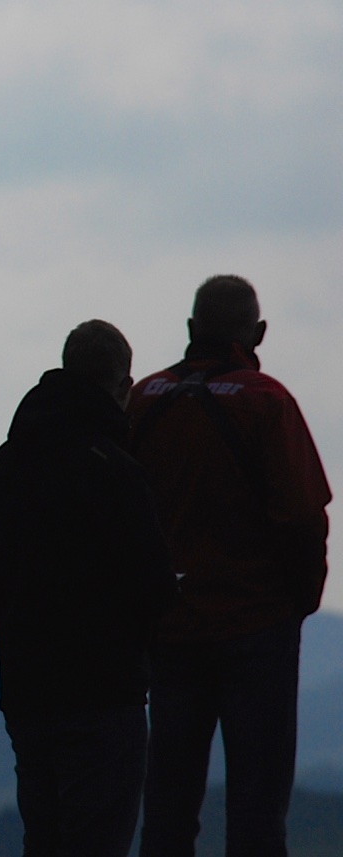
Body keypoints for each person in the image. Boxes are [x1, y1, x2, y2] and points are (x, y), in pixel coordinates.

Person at [130, 275, 331, 857]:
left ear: (192, 328)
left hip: (170, 630)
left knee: (167, 808)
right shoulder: (268, 401)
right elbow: (302, 516)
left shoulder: (143, 401)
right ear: (258, 333)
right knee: (257, 810)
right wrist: (300, 600)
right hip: (257, 629)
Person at [0, 320, 175, 857]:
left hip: (28, 689)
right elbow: (153, 584)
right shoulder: (116, 471)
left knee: (42, 839)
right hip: (104, 692)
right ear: (122, 386)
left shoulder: (3, 466)